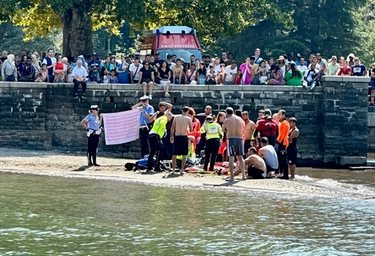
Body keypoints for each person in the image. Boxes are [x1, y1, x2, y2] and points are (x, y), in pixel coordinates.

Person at [222, 107, 246, 181]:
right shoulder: (240, 119)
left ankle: (232, 177)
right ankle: (243, 176)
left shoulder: (227, 120)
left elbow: (223, 129)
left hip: (231, 139)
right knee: (240, 157)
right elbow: (243, 127)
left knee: (231, 157)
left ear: (226, 113)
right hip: (240, 138)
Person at [170, 106, 193, 175]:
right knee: (184, 155)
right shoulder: (188, 118)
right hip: (183, 136)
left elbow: (173, 127)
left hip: (177, 136)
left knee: (174, 154)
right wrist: (187, 128)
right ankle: (181, 170)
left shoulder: (176, 117)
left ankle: (173, 170)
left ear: (182, 111)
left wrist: (171, 136)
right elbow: (191, 130)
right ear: (188, 112)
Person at [276, 109, 290, 179]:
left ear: (283, 115)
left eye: (279, 115)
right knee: (282, 159)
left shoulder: (284, 123)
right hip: (283, 142)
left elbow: (282, 134)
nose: (278, 116)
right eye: (278, 114)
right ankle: (284, 174)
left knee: (283, 159)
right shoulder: (284, 123)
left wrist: (278, 141)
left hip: (283, 142)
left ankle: (285, 175)